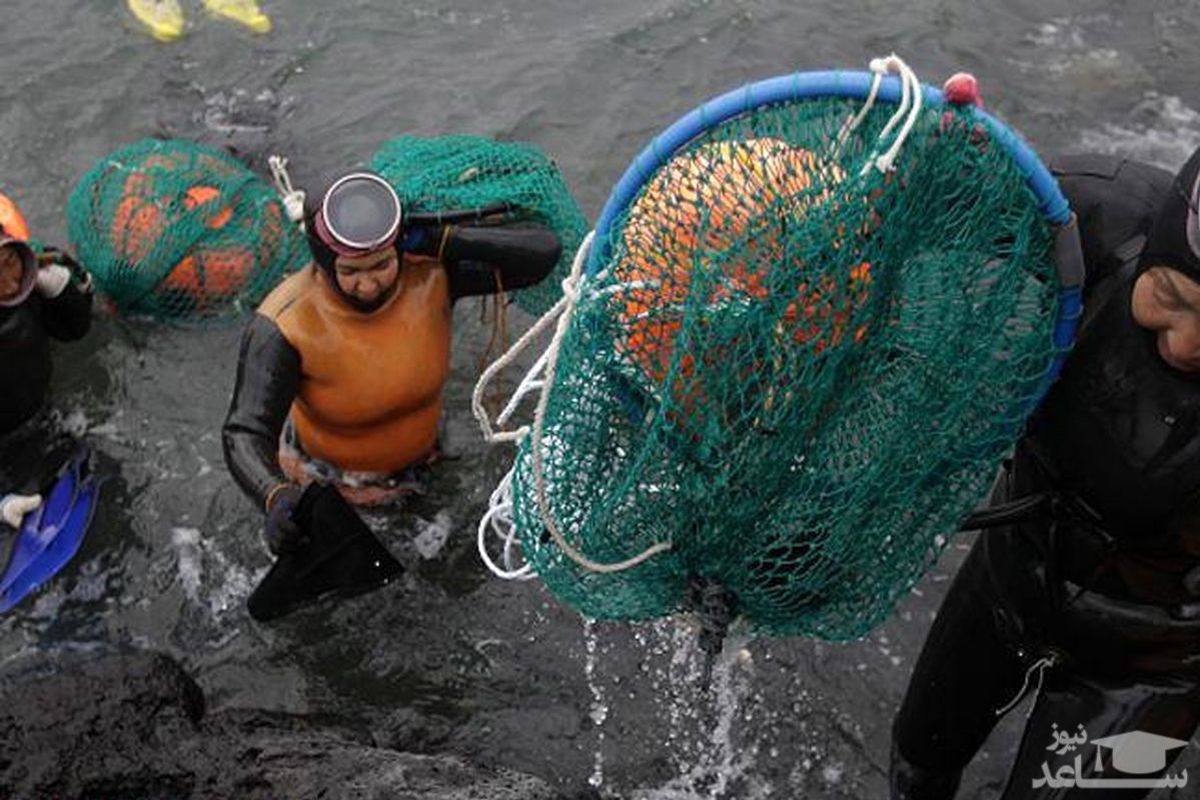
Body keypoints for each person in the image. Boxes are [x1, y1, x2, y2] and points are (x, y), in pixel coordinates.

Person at [890, 144, 1200, 798]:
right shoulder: (1095, 213)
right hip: (1012, 568)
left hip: (1160, 665)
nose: (1184, 342)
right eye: (1171, 296)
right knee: (917, 758)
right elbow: (915, 206)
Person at [223, 170, 561, 556]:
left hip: (427, 464)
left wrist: (443, 237)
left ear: (400, 249)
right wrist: (274, 495)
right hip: (330, 484)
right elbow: (244, 432)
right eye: (349, 271)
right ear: (321, 262)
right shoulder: (284, 323)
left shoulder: (432, 276)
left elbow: (543, 254)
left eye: (381, 266)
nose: (367, 285)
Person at [0, 192, 94, 528]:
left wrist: (63, 292)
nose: (12, 284)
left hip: (44, 417)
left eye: (11, 262)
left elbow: (75, 331)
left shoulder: (28, 284)